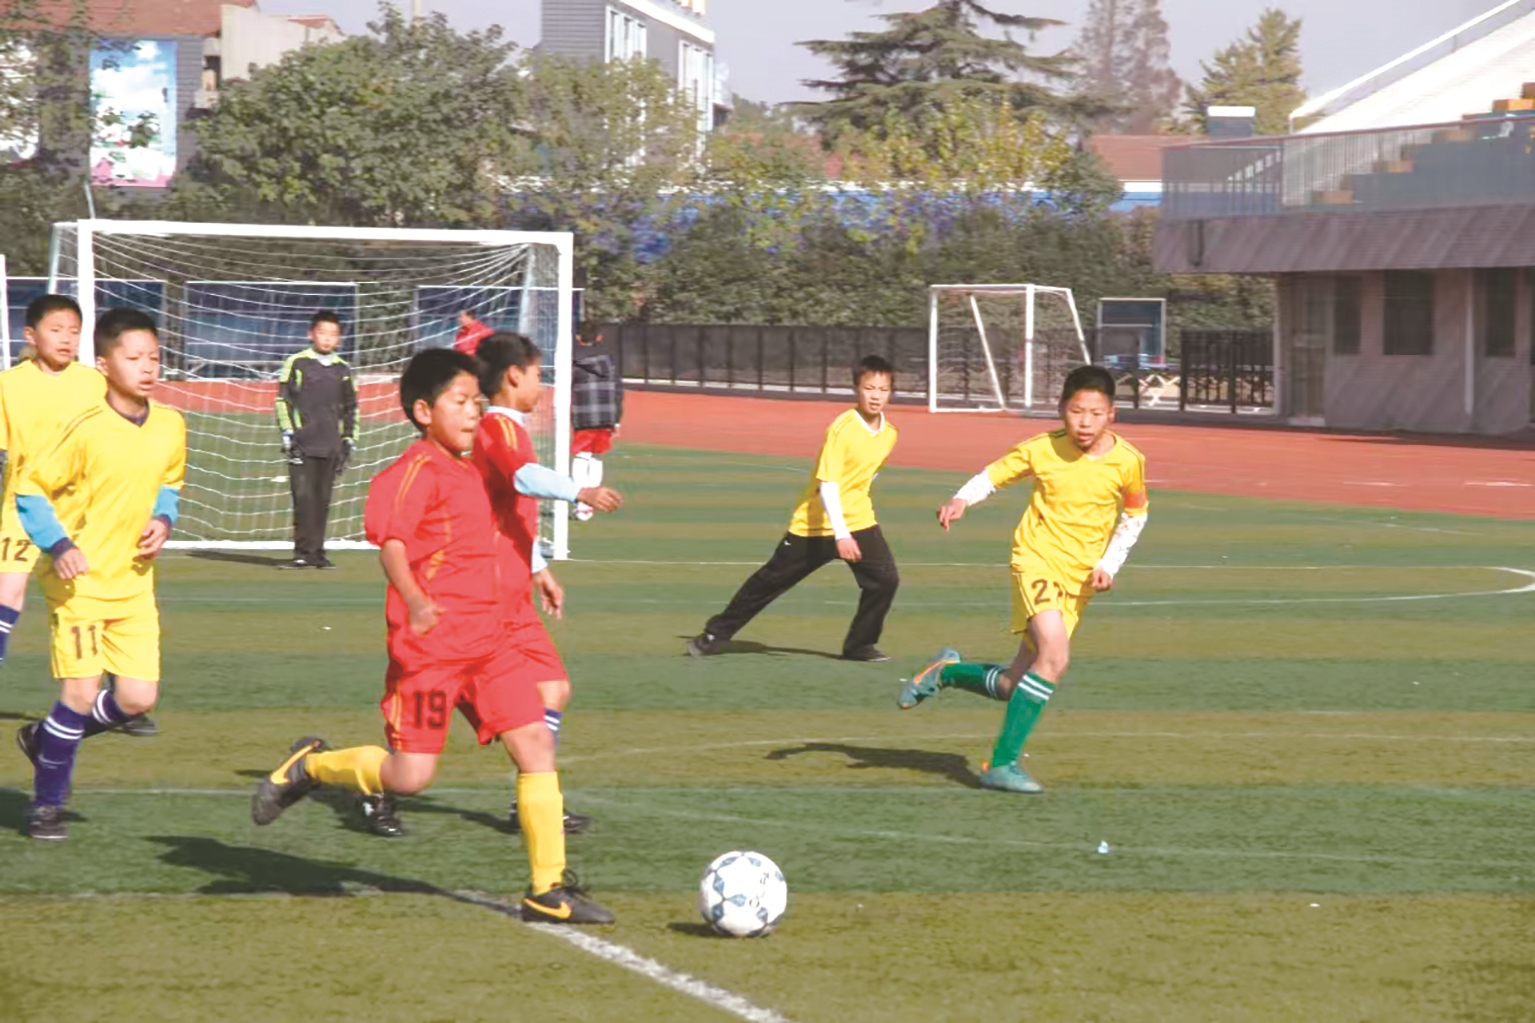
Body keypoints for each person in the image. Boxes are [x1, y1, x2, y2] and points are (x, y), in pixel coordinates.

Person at [251, 347, 613, 924]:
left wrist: (537, 566)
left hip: (491, 644)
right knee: (411, 776)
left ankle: (547, 890)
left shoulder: (475, 468)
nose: (473, 412)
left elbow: (505, 524)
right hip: (432, 652)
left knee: (535, 746)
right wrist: (417, 600)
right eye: (460, 402)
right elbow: (392, 544)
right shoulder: (412, 471)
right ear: (423, 412)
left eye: (477, 402)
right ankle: (311, 767)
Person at [897, 365, 1149, 793]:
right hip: (1036, 561)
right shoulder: (1042, 448)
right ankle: (1001, 763)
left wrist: (1109, 563)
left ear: (1112, 414)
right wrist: (961, 499)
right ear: (1062, 409)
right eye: (1076, 411)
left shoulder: (1128, 461)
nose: (1085, 422)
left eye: (1095, 413)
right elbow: (994, 475)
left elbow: (1135, 514)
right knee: (1055, 656)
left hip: (1080, 580)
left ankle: (945, 672)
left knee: (1015, 684)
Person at [12, 309, 186, 839]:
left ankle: (46, 738)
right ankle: (46, 805)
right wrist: (59, 544)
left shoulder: (170, 424)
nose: (147, 367)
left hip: (134, 585)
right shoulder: (83, 428)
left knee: (137, 700)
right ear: (106, 365)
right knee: (80, 694)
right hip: (80, 584)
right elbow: (29, 488)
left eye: (154, 357)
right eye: (134, 358)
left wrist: (164, 518)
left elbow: (170, 481)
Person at [687, 355, 900, 662]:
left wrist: (853, 523)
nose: (876, 395)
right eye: (869, 388)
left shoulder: (890, 433)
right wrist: (841, 535)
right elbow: (828, 485)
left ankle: (859, 646)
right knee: (769, 581)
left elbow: (867, 475)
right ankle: (714, 633)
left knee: (885, 580)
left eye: (883, 389)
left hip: (859, 520)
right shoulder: (842, 429)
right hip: (814, 525)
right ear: (857, 388)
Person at [275, 310, 358, 570]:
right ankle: (302, 553)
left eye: (333, 334)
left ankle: (318, 553)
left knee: (322, 501)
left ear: (339, 339)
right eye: (322, 333)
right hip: (302, 444)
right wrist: (288, 433)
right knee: (303, 500)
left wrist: (349, 439)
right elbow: (283, 400)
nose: (327, 338)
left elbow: (351, 407)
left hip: (330, 445)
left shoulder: (343, 369)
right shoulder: (297, 363)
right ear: (311, 334)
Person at [570, 323, 622, 522]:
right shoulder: (609, 360)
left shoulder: (573, 359)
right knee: (597, 456)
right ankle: (592, 503)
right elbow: (618, 390)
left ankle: (583, 504)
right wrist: (616, 419)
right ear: (599, 337)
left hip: (584, 414)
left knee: (581, 456)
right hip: (606, 414)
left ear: (578, 337)